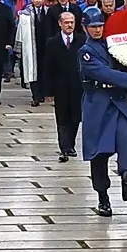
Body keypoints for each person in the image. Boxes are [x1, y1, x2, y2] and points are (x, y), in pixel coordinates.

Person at [78, 7, 127, 217]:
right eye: (93, 26)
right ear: (85, 28)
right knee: (99, 153)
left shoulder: (113, 45)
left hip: (117, 101)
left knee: (126, 137)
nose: (98, 30)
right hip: (97, 103)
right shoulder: (86, 51)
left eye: (100, 25)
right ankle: (103, 196)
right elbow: (102, 73)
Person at [42, 10, 84, 162]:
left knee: (75, 117)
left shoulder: (81, 40)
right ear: (60, 23)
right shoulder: (53, 42)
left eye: (72, 22)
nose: (69, 25)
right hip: (60, 87)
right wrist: (47, 90)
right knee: (62, 118)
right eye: (66, 22)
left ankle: (70, 144)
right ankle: (64, 147)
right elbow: (47, 67)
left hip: (77, 86)